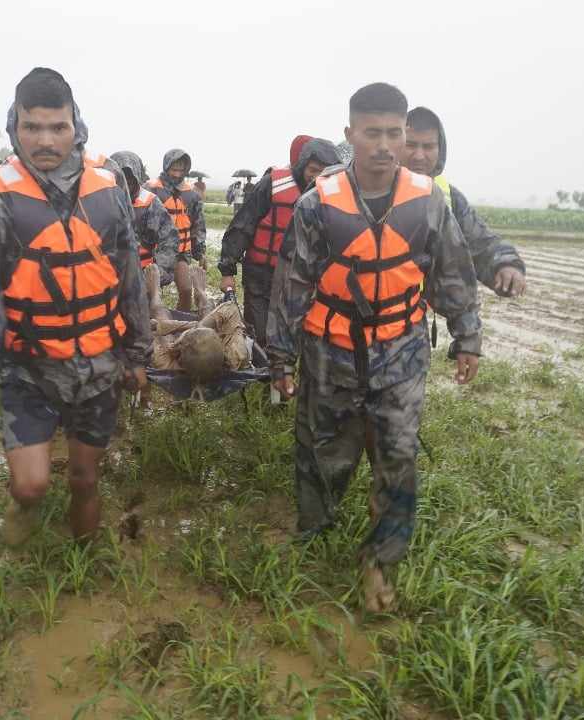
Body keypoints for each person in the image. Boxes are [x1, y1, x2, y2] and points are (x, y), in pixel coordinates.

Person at [267, 82, 482, 612]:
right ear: (350, 135)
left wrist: (466, 335)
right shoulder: (319, 205)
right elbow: (292, 283)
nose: (384, 145)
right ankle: (314, 532)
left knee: (398, 457)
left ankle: (381, 562)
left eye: (394, 133)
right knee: (325, 454)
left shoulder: (429, 200)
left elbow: (453, 270)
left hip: (402, 351)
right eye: (372, 133)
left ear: (405, 135)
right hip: (329, 351)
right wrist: (279, 356)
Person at [0, 67, 151, 545]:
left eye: (57, 127)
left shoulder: (108, 187)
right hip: (28, 367)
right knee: (31, 484)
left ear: (75, 125)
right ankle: (21, 518)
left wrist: (137, 355)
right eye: (32, 126)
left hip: (99, 364)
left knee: (84, 480)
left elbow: (129, 278)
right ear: (15, 125)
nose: (45, 140)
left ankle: (83, 568)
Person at [219, 136, 340, 345]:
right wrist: (227, 271)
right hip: (261, 272)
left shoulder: (333, 193)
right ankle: (261, 368)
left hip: (300, 277)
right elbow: (242, 226)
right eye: (313, 169)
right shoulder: (272, 184)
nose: (317, 177)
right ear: (302, 165)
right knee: (260, 334)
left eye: (324, 171)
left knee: (292, 332)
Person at [401, 106, 526, 298]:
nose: (419, 155)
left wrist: (506, 263)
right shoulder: (373, 189)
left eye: (428, 147)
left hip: (415, 315)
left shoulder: (449, 197)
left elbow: (480, 242)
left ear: (440, 150)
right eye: (411, 145)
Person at [145, 149, 207, 311]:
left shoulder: (191, 195)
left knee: (186, 290)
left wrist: (200, 252)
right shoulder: (151, 189)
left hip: (180, 252)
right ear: (166, 167)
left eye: (181, 170)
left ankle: (180, 324)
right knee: (150, 292)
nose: (177, 174)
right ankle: (150, 323)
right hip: (156, 251)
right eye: (174, 169)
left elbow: (198, 225)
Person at [110, 151, 179, 284]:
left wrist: (159, 273)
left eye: (130, 178)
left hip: (141, 275)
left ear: (137, 178)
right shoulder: (101, 199)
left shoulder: (150, 203)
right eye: (121, 177)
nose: (125, 183)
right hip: (108, 275)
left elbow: (169, 239)